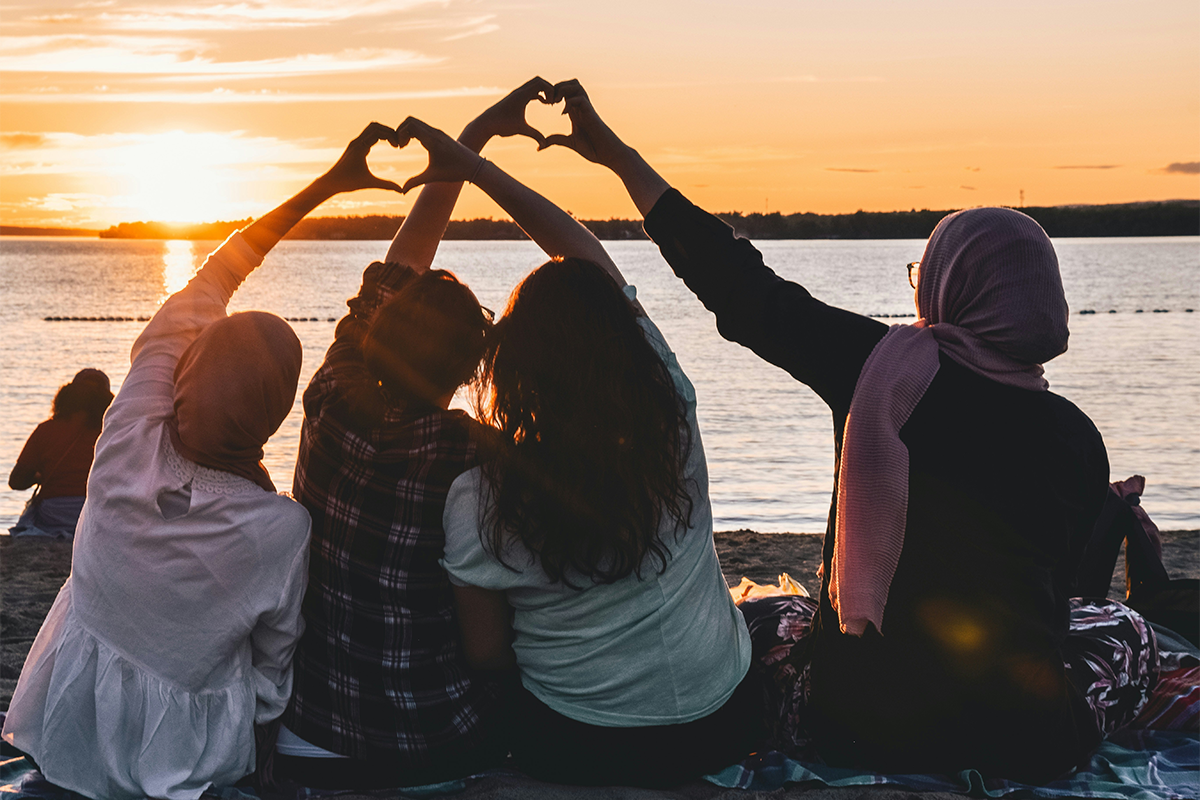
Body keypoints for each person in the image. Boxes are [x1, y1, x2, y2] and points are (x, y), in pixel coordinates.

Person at [540, 80, 1156, 783]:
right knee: (1128, 631)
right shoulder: (1073, 437)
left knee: (773, 618)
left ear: (950, 285)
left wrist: (617, 157)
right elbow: (1064, 594)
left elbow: (739, 285)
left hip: (859, 727)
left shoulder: (878, 371)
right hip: (1022, 737)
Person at [2, 124, 405, 800]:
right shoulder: (281, 528)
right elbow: (273, 671)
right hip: (186, 755)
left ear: (181, 378)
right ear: (275, 416)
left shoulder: (128, 431)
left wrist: (329, 182)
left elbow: (219, 273)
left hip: (71, 722)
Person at [393, 117, 758, 788]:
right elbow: (586, 257)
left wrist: (466, 160)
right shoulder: (671, 413)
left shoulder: (482, 491)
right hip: (720, 723)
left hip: (575, 744)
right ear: (624, 344)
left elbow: (487, 655)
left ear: (515, 364)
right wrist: (476, 167)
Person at [277, 80, 556, 789]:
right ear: (470, 370)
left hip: (313, 734)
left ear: (377, 333)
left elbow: (397, 267)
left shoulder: (329, 396)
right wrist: (476, 144)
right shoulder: (472, 452)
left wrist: (470, 140)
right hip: (438, 741)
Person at [8, 369, 113, 538]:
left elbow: (16, 482)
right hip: (97, 514)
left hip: (53, 514)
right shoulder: (113, 433)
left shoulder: (46, 430)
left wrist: (38, 476)